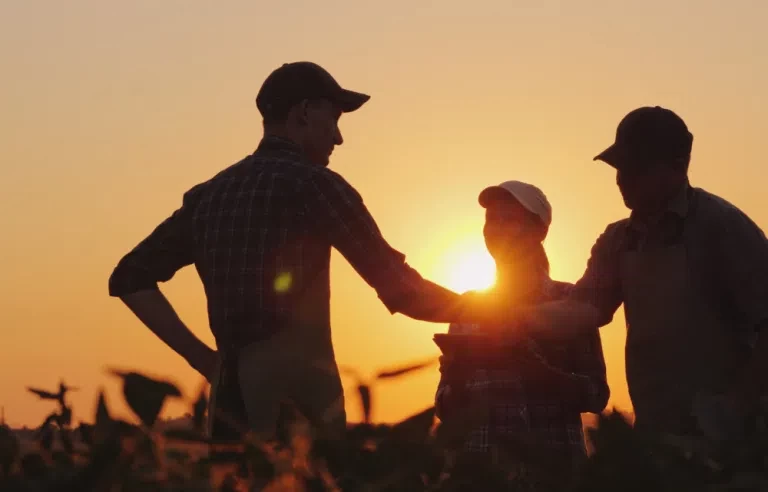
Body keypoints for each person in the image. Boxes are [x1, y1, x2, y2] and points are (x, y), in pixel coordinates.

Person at [108, 61, 473, 441]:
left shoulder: (209, 196)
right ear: (303, 113)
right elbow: (403, 291)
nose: (338, 138)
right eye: (333, 119)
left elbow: (129, 278)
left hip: (227, 411)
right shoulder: (316, 186)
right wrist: (493, 313)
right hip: (300, 416)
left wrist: (202, 359)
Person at [509, 106, 768, 439]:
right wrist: (512, 318)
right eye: (619, 167)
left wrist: (734, 408)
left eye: (636, 167)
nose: (621, 178)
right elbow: (584, 309)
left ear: (679, 165)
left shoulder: (722, 227)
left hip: (734, 443)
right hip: (657, 436)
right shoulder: (618, 240)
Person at [435, 180, 609, 468]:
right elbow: (444, 407)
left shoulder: (570, 301)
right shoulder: (466, 308)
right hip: (482, 475)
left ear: (539, 231)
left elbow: (596, 395)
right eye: (492, 219)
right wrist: (455, 378)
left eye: (509, 219)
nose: (497, 228)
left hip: (553, 473)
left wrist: (541, 374)